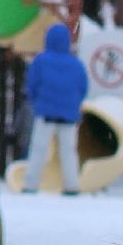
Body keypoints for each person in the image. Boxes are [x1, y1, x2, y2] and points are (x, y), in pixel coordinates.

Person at [21, 22, 89, 196]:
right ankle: (71, 186)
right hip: (68, 116)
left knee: (38, 149)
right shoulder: (76, 64)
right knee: (68, 151)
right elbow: (83, 88)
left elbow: (32, 85)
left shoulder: (41, 61)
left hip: (45, 114)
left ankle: (31, 184)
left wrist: (37, 102)